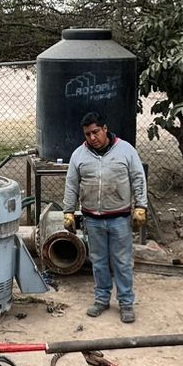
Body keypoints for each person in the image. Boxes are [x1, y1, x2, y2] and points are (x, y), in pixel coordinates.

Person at [62, 110, 147, 323]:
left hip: (120, 218)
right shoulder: (78, 156)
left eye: (96, 132)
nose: (92, 138)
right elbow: (71, 185)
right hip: (92, 218)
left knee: (122, 262)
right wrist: (68, 211)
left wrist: (141, 206)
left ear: (105, 129)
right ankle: (101, 299)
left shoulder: (126, 151)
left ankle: (126, 303)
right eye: (88, 134)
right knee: (98, 262)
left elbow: (138, 178)